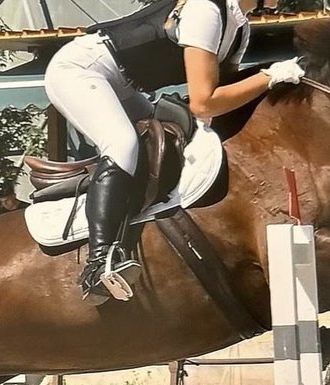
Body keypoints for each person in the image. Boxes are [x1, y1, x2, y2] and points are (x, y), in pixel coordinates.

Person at [44, 0, 303, 302]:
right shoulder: (206, 10)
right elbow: (204, 102)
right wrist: (269, 77)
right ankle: (99, 262)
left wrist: (274, 79)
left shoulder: (240, 27)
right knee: (123, 144)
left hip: (126, 86)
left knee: (164, 148)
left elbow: (225, 96)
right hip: (82, 70)